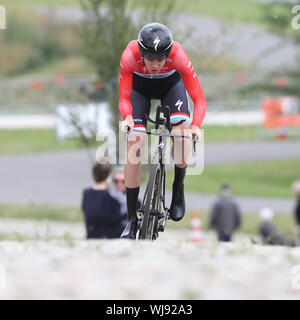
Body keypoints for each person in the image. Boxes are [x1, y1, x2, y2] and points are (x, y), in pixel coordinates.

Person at [119, 22, 207, 239]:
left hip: (171, 87)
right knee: (135, 143)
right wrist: (128, 117)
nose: (156, 64)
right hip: (140, 89)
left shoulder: (178, 56)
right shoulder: (129, 56)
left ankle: (178, 190)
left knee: (180, 134)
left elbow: (199, 99)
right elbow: (123, 97)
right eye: (150, 58)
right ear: (141, 53)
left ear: (168, 54)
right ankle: (131, 218)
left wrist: (196, 125)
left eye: (161, 58)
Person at [81, 162, 124, 239]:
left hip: (91, 233)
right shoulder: (109, 195)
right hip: (108, 234)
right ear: (108, 176)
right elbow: (115, 218)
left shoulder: (86, 193)